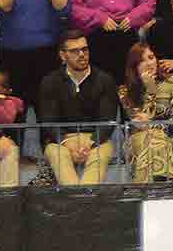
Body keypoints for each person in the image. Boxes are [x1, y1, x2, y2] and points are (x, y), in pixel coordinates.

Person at [38, 30, 121, 185]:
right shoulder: (50, 81)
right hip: (61, 140)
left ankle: (81, 203)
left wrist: (90, 143)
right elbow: (48, 121)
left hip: (97, 139)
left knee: (99, 156)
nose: (82, 54)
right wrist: (66, 142)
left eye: (85, 49)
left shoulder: (105, 80)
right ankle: (81, 203)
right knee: (58, 154)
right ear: (63, 55)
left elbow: (107, 121)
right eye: (75, 51)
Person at [118, 41, 173, 182]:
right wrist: (150, 90)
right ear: (134, 67)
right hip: (136, 141)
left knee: (156, 141)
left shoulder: (172, 82)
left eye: (151, 57)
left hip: (167, 138)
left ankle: (142, 193)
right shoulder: (124, 91)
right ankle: (164, 190)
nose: (149, 63)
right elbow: (138, 126)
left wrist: (153, 126)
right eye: (142, 61)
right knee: (150, 140)